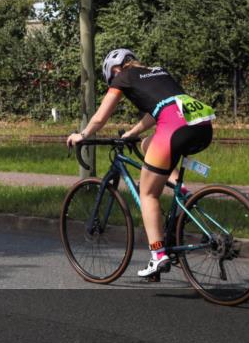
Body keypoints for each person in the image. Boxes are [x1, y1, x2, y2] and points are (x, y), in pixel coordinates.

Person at [66, 49, 215, 277]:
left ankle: (158, 256)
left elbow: (100, 116)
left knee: (148, 194)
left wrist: (83, 135)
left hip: (173, 130)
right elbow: (160, 109)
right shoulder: (158, 71)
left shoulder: (122, 77)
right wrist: (132, 133)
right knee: (147, 145)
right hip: (202, 126)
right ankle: (181, 190)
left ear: (114, 71)